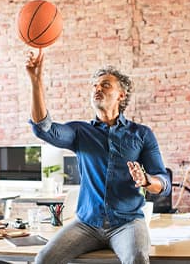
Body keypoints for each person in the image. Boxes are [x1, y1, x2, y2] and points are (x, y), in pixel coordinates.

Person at [24, 52, 171, 264]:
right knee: (44, 259)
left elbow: (164, 183)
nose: (97, 89)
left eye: (105, 85)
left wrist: (147, 180)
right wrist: (36, 81)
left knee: (137, 258)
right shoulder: (80, 132)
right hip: (87, 224)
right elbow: (43, 129)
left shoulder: (141, 134)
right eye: (95, 86)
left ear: (122, 95)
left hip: (127, 223)